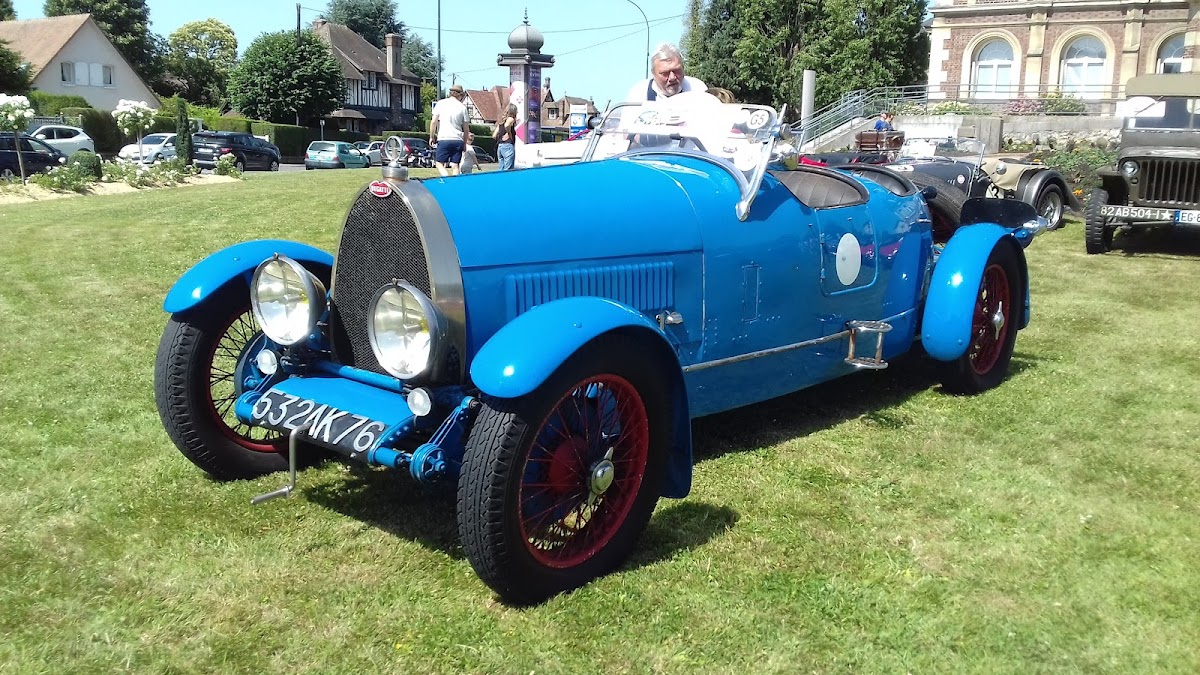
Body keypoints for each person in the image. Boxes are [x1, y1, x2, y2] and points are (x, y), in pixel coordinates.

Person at [623, 42, 707, 102]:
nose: (672, 77)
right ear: (653, 74)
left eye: (676, 71)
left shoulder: (697, 88)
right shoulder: (639, 93)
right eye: (665, 73)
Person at [430, 83, 470, 176]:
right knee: (455, 165)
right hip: (458, 139)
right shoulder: (462, 108)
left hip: (444, 138)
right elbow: (466, 129)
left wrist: (431, 137)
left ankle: (446, 177)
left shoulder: (441, 103)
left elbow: (433, 122)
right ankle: (455, 182)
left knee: (439, 163)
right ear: (460, 95)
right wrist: (464, 143)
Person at [494, 103, 517, 171]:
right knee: (508, 170)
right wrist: (509, 133)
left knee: (501, 169)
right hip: (508, 146)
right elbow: (507, 125)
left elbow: (494, 135)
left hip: (500, 146)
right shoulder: (510, 118)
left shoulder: (501, 122)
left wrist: (501, 137)